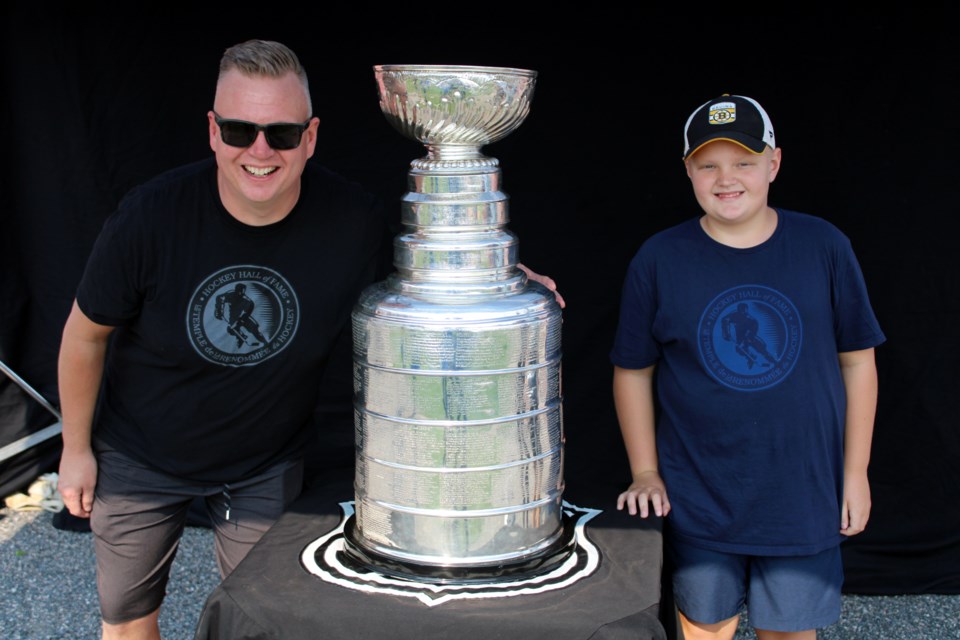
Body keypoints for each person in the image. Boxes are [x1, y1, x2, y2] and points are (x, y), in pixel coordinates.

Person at [56, 39, 562, 639]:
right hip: (141, 457)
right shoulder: (151, 216)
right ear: (214, 132)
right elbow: (85, 338)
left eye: (282, 133)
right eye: (241, 131)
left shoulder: (351, 220)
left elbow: (424, 282)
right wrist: (75, 449)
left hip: (261, 468)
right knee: (127, 623)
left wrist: (496, 276)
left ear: (311, 136)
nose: (261, 151)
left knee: (262, 623)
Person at [610, 95, 884, 640]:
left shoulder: (823, 246)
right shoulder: (660, 258)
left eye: (743, 162)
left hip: (804, 493)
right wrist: (645, 471)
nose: (725, 178)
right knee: (705, 627)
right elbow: (633, 370)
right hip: (701, 492)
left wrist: (855, 472)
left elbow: (858, 362)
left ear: (773, 164)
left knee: (789, 631)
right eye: (708, 164)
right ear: (687, 169)